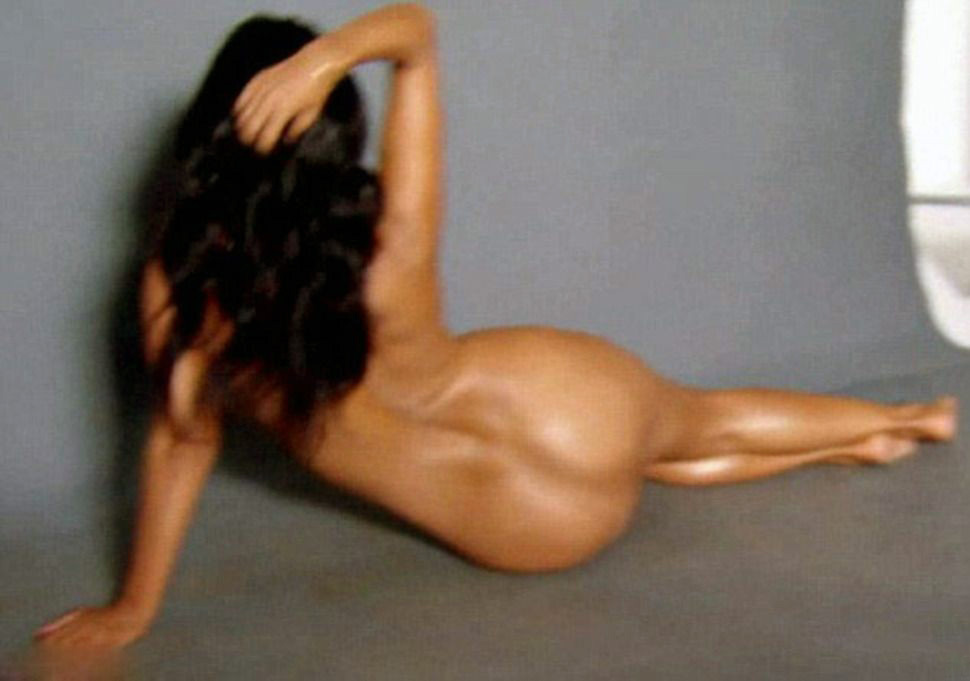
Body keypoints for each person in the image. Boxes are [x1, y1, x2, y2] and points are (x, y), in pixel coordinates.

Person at [35, 3, 957, 649]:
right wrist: (326, 59)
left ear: (206, 136)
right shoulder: (389, 242)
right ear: (335, 138)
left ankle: (862, 443)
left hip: (528, 529)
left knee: (659, 467)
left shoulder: (177, 294)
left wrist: (134, 608)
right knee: (700, 422)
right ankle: (903, 419)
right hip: (562, 394)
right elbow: (417, 36)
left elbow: (180, 440)